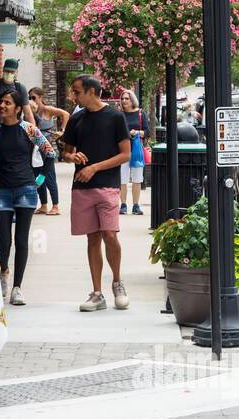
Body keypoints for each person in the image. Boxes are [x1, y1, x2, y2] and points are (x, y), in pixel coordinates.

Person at [60, 74, 131, 312]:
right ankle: (97, 293)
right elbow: (66, 153)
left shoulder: (115, 117)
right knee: (92, 237)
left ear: (92, 91)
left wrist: (94, 167)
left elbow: (125, 155)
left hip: (108, 185)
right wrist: (73, 157)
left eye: (77, 91)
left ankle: (118, 282)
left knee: (109, 234)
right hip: (82, 186)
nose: (74, 95)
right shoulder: (76, 119)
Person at [0, 90, 53, 305]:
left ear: (18, 108)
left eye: (7, 103)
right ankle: (4, 271)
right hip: (1, 191)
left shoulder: (29, 130)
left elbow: (49, 153)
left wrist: (39, 180)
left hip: (26, 190)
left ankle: (17, 288)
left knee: (21, 240)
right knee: (3, 240)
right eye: (0, 102)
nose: (1, 106)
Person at [29, 86, 70, 216]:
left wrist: (62, 131)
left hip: (46, 148)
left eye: (33, 97)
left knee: (49, 176)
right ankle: (44, 205)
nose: (31, 100)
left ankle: (56, 206)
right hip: (34, 148)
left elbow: (66, 114)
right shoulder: (29, 111)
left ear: (41, 98)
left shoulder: (47, 110)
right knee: (37, 176)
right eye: (29, 98)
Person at [118, 89, 150, 215]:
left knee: (137, 179)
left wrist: (136, 132)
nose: (124, 101)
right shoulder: (119, 115)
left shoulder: (141, 114)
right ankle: (123, 205)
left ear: (132, 100)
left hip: (136, 150)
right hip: (121, 151)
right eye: (123, 98)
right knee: (122, 179)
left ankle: (136, 205)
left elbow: (147, 132)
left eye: (127, 98)